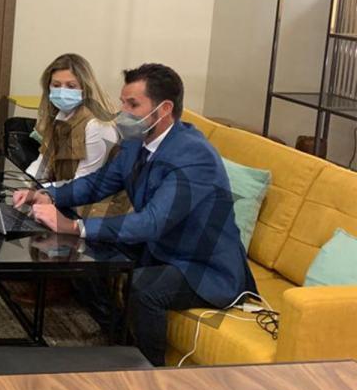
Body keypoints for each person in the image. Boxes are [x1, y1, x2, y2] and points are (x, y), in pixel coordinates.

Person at [13, 63, 255, 366]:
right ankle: (118, 340)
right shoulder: (135, 141)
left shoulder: (194, 155)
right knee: (79, 256)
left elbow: (152, 222)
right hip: (158, 247)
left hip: (200, 264)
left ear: (164, 109)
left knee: (145, 287)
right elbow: (99, 183)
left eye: (133, 104)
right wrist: (47, 194)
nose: (122, 111)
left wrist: (75, 225)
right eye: (122, 102)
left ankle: (150, 372)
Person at [26, 54, 119, 186]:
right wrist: (24, 183)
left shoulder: (97, 124)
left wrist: (40, 192)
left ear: (85, 87)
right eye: (56, 85)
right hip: (67, 194)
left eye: (71, 86)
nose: (62, 91)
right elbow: (42, 165)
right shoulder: (58, 118)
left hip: (96, 203)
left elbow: (85, 182)